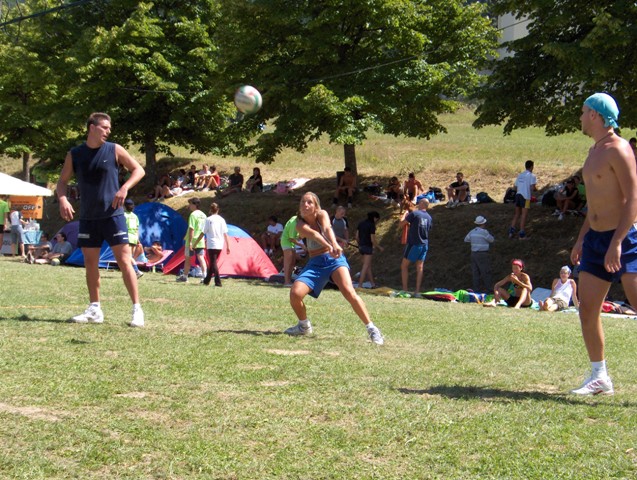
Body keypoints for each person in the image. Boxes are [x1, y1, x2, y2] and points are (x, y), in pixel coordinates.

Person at [569, 92, 637, 396]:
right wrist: (582, 239)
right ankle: (600, 377)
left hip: (625, 239)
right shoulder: (594, 150)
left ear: (595, 115)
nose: (581, 117)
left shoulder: (619, 149)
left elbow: (633, 198)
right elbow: (596, 202)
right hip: (596, 240)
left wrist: (617, 242)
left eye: (584, 111)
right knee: (587, 310)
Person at [57, 112, 146, 327]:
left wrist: (124, 188)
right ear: (92, 127)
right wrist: (63, 199)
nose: (108, 131)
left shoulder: (114, 149)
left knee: (124, 261)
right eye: (105, 127)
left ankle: (137, 310)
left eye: (109, 128)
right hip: (88, 217)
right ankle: (95, 309)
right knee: (90, 263)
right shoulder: (75, 154)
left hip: (113, 215)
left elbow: (139, 170)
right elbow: (62, 182)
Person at [284, 192, 384, 345]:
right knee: (295, 293)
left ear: (316, 206)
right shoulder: (299, 224)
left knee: (349, 292)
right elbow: (315, 235)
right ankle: (303, 326)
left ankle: (372, 329)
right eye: (303, 202)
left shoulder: (322, 214)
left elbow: (326, 229)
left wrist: (335, 245)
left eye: (309, 202)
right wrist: (330, 246)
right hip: (315, 262)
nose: (305, 205)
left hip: (333, 260)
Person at [399, 198, 432, 297]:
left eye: (419, 202)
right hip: (424, 244)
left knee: (404, 266)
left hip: (414, 244)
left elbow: (401, 224)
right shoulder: (429, 217)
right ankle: (417, 291)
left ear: (422, 203)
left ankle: (405, 290)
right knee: (420, 267)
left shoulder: (414, 213)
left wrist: (404, 215)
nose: (417, 203)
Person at [198, 202, 230, 287]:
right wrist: (228, 246)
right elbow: (225, 234)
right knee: (212, 262)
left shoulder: (208, 219)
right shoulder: (222, 220)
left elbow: (203, 232)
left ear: (210, 210)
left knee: (213, 263)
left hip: (211, 244)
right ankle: (206, 281)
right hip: (220, 244)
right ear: (218, 210)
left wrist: (196, 241)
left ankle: (218, 282)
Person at [176, 197, 207, 283]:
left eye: (190, 204)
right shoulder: (204, 215)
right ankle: (205, 276)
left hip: (192, 240)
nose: (189, 206)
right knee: (201, 257)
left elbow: (191, 229)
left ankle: (185, 276)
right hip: (200, 239)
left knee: (188, 259)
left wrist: (190, 242)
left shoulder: (193, 215)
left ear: (194, 205)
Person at [464, 215, 494, 293]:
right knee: (485, 271)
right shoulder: (484, 232)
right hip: (482, 254)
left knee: (475, 272)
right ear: (483, 223)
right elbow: (491, 240)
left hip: (473, 254)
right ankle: (488, 289)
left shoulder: (472, 231)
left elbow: (466, 239)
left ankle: (476, 289)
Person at [509, 160, 537, 240]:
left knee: (517, 214)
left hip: (518, 195)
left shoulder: (520, 175)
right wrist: (536, 190)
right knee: (524, 215)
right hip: (526, 197)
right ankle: (521, 234)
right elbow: (533, 188)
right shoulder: (532, 176)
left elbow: (515, 187)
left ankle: (511, 231)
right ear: (532, 167)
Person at [356, 211, 383, 289]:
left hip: (361, 247)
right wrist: (379, 247)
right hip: (368, 247)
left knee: (368, 266)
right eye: (376, 219)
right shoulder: (371, 225)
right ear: (374, 218)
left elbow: (356, 237)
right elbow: (372, 240)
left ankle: (372, 284)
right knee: (365, 266)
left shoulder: (361, 223)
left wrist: (360, 244)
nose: (376, 221)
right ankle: (360, 285)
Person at [281, 215, 306, 287]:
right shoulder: (294, 224)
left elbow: (295, 236)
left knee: (292, 262)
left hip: (291, 244)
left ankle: (289, 280)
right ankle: (286, 282)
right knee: (288, 263)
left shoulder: (295, 218)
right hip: (287, 243)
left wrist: (300, 235)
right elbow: (291, 239)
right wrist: (302, 245)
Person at [124, 198, 143, 279]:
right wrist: (138, 239)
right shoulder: (135, 216)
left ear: (124, 206)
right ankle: (130, 273)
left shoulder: (124, 215)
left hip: (127, 237)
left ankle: (137, 271)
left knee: (127, 256)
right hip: (134, 237)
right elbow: (137, 228)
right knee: (130, 256)